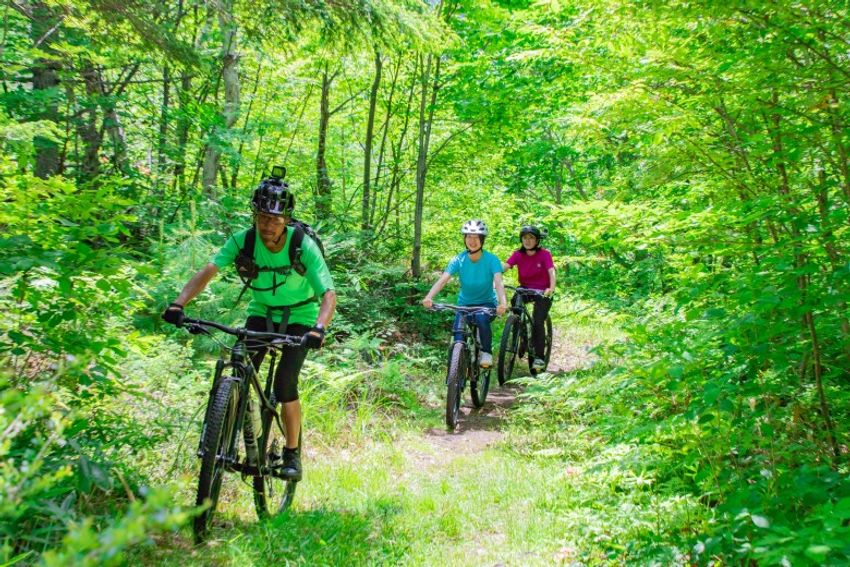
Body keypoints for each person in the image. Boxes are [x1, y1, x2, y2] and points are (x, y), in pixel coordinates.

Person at [162, 171, 336, 481]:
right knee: (239, 367)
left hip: (301, 317)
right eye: (261, 217)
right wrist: (179, 303)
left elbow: (328, 293)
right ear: (254, 215)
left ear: (286, 218)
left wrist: (319, 328)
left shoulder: (302, 245)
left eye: (274, 219)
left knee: (285, 384)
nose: (267, 225)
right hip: (262, 312)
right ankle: (225, 435)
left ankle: (292, 454)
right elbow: (209, 270)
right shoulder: (244, 240)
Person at [422, 219, 508, 367]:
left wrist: (503, 303)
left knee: (481, 318)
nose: (472, 241)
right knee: (458, 335)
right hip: (464, 304)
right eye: (469, 237)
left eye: (476, 238)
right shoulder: (458, 259)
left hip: (486, 304)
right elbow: (443, 280)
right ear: (464, 239)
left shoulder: (492, 260)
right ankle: (457, 369)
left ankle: (486, 352)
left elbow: (498, 282)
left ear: (482, 240)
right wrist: (429, 297)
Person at [502, 225, 556, 371]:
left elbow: (551, 272)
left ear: (537, 240)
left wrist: (551, 288)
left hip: (543, 291)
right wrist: (492, 271)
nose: (527, 240)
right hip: (525, 288)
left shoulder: (544, 254)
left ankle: (538, 357)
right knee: (515, 304)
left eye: (531, 238)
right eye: (525, 238)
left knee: (538, 322)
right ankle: (521, 334)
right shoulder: (518, 254)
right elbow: (505, 266)